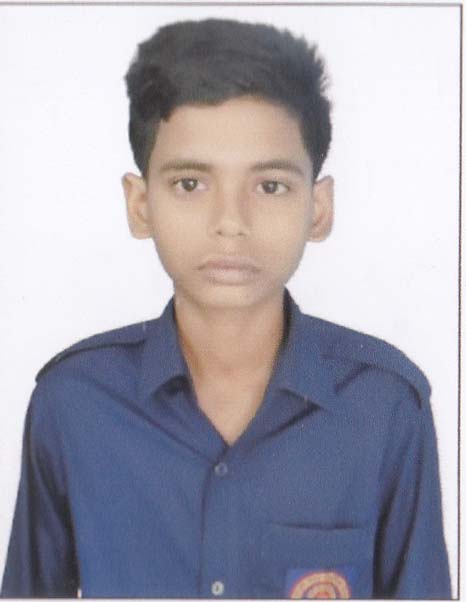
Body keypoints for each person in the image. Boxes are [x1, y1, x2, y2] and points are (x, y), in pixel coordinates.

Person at [1, 18, 451, 599]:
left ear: (318, 207)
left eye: (270, 186)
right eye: (191, 184)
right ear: (140, 205)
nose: (231, 223)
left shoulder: (384, 407)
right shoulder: (73, 404)